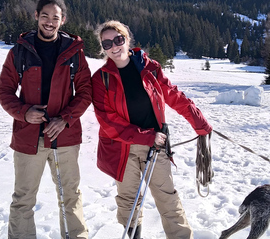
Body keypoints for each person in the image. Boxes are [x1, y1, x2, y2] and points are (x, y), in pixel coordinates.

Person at [91, 20, 213, 239]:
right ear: (103, 48)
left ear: (127, 39)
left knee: (167, 197)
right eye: (107, 43)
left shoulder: (150, 68)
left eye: (118, 40)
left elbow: (173, 95)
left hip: (155, 147)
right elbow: (108, 120)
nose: (114, 46)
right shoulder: (101, 79)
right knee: (128, 200)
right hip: (121, 148)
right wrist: (146, 136)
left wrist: (200, 124)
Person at [0, 0, 91, 239]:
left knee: (70, 197)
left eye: (55, 18)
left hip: (65, 138)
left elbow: (85, 91)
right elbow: (4, 90)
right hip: (29, 138)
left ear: (63, 21)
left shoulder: (74, 53)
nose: (50, 22)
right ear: (36, 16)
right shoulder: (20, 52)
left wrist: (66, 118)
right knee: (23, 200)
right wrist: (24, 113)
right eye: (45, 16)